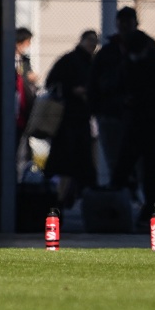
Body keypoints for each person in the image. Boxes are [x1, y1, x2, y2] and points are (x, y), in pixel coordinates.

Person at [88, 7, 150, 186]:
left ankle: (123, 194)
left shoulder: (108, 52)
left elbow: (94, 83)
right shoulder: (144, 49)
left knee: (119, 160)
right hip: (124, 113)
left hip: (119, 113)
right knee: (134, 161)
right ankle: (134, 196)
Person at [112, 29, 155, 226]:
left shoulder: (130, 65)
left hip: (137, 125)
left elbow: (117, 89)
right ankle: (150, 209)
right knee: (151, 170)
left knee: (124, 168)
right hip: (154, 127)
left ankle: (117, 208)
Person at [44, 30, 99, 209]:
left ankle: (63, 197)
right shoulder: (76, 61)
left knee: (68, 161)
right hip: (71, 117)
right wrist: (74, 90)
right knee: (72, 160)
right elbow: (54, 81)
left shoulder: (78, 60)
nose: (93, 45)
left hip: (74, 118)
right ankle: (64, 197)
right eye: (90, 41)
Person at [15, 27, 38, 147]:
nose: (28, 45)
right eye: (27, 42)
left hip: (24, 102)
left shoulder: (25, 61)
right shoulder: (9, 58)